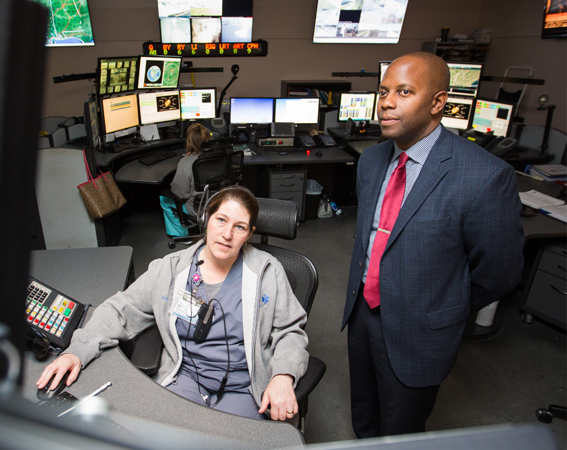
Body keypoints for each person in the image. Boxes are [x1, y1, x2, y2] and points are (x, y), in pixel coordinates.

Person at [342, 52, 524, 438]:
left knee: (402, 430)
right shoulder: (371, 161)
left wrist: (442, 303)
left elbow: (498, 273)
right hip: (362, 313)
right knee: (365, 415)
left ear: (438, 102)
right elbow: (369, 239)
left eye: (404, 91)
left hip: (421, 328)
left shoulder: (485, 176)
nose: (387, 102)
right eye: (384, 90)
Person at [38, 186, 309, 421]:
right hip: (185, 376)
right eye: (221, 220)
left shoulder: (267, 271)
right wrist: (77, 350)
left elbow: (290, 331)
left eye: (239, 227)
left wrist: (283, 375)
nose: (227, 234)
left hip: (242, 385)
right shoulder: (170, 270)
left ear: (249, 233)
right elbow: (121, 309)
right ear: (206, 220)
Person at [160, 123, 211, 237]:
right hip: (217, 204)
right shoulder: (220, 158)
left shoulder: (186, 162)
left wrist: (188, 158)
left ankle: (181, 235)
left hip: (196, 209)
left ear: (189, 142)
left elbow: (181, 194)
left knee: (164, 198)